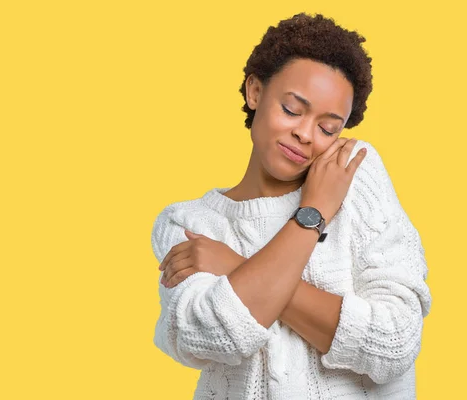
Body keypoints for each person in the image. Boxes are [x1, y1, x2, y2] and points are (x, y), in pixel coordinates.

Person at [150, 12, 432, 400]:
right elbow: (207, 337)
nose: (304, 134)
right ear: (255, 91)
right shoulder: (188, 223)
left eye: (328, 127)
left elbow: (395, 341)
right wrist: (310, 221)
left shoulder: (353, 174)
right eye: (292, 110)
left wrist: (239, 264)